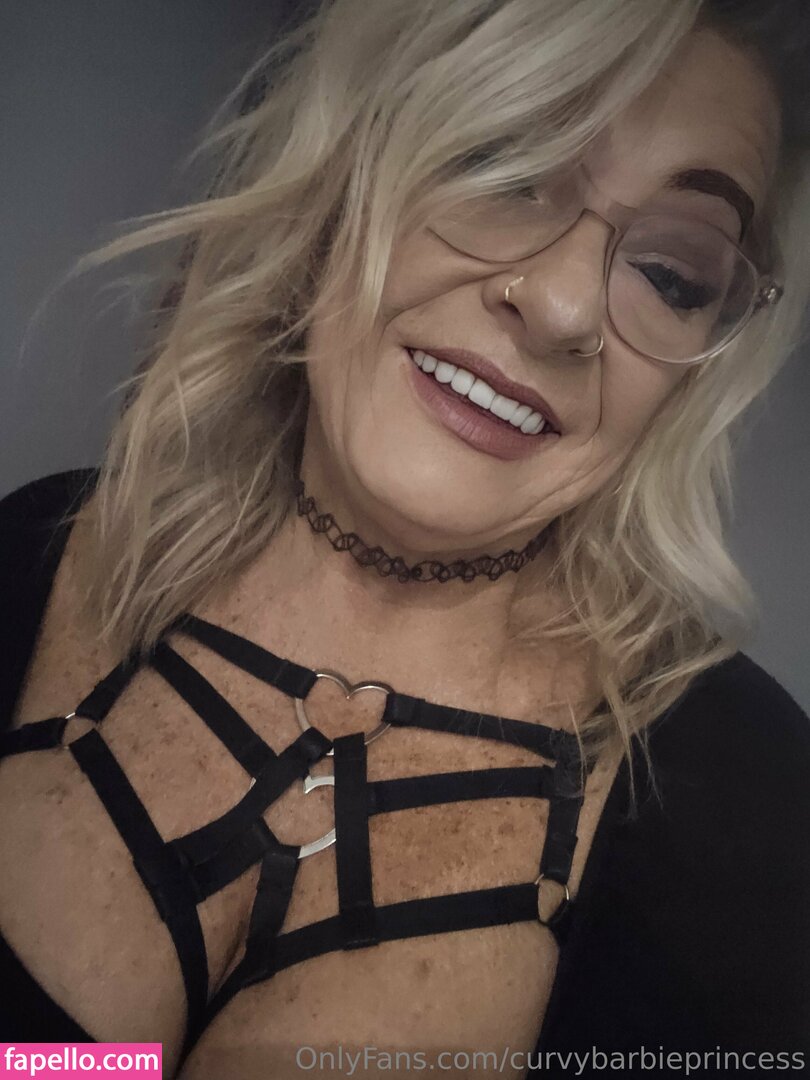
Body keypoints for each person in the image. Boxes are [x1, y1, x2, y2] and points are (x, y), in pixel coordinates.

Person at [1, 1, 809, 1077]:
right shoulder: (36, 551)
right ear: (344, 166)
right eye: (504, 164)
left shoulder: (755, 807)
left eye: (674, 276)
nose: (563, 307)